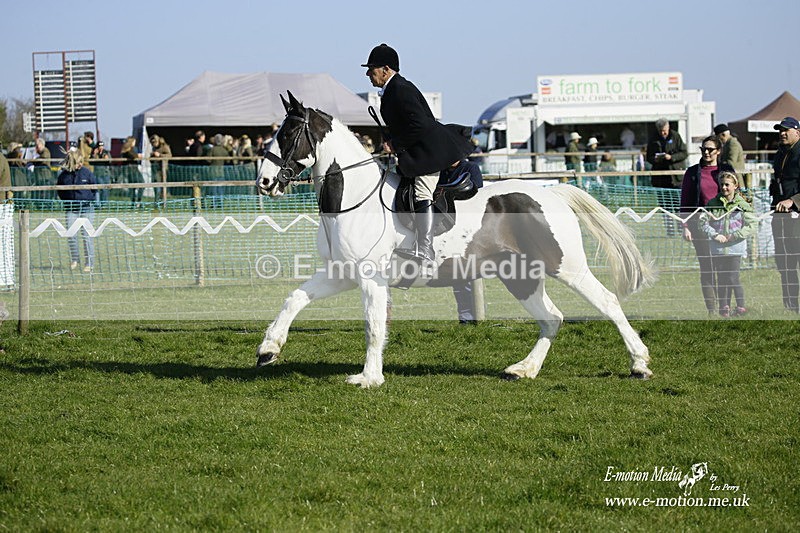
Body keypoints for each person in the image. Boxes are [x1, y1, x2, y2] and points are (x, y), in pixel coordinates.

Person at [362, 43, 473, 264]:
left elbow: (421, 125)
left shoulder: (401, 89)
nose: (368, 74)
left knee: (422, 193)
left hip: (429, 153)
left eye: (371, 69)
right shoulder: (393, 90)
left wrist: (396, 144)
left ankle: (425, 249)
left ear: (385, 69)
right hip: (417, 153)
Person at [680, 135, 733, 315]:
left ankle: (724, 307)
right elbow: (685, 201)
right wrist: (685, 226)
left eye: (710, 149)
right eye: (704, 149)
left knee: (724, 267)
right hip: (700, 225)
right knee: (707, 267)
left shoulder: (726, 170)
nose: (707, 152)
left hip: (724, 224)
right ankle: (712, 310)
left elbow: (737, 195)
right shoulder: (692, 173)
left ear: (718, 151)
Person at [700, 171, 756, 317]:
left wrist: (735, 236)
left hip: (735, 249)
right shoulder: (713, 204)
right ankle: (724, 307)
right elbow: (703, 223)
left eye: (727, 184)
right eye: (722, 184)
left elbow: (752, 225)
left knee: (733, 277)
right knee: (722, 279)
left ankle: (740, 306)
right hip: (718, 249)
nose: (724, 187)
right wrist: (715, 235)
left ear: (735, 186)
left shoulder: (742, 205)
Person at [438, 158, 484, 324]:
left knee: (466, 274)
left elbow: (478, 195)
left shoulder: (471, 168)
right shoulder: (441, 171)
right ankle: (466, 317)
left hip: (468, 225)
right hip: (449, 226)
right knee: (459, 276)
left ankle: (472, 316)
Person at [769, 116, 800, 313]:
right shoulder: (780, 153)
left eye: (786, 130)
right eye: (780, 130)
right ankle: (790, 307)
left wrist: (793, 201)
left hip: (797, 218)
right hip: (780, 217)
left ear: (797, 132)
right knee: (785, 263)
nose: (782, 133)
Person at [56, 149, 97, 272]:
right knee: (71, 234)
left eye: (81, 162)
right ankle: (75, 259)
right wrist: (67, 202)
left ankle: (89, 262)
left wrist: (91, 200)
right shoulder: (63, 176)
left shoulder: (87, 173)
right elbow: (60, 191)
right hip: (71, 208)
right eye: (77, 162)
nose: (80, 164)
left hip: (86, 207)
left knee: (87, 235)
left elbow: (95, 188)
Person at [647, 118, 688, 236]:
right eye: (660, 131)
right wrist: (655, 159)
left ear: (668, 127)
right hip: (660, 179)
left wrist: (672, 157)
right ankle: (670, 231)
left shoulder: (676, 136)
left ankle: (681, 229)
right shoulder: (653, 139)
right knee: (665, 207)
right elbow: (648, 157)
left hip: (676, 178)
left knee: (679, 205)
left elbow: (684, 153)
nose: (663, 133)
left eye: (664, 130)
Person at [120, 136, 143, 206]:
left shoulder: (128, 150)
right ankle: (137, 201)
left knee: (134, 187)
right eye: (134, 142)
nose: (134, 143)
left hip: (132, 170)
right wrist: (138, 155)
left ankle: (135, 202)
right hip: (132, 170)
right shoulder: (128, 150)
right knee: (141, 183)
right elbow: (133, 156)